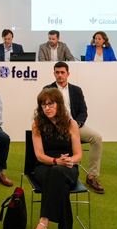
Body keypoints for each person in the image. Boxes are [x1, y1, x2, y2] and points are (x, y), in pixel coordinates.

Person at [28, 89, 83, 229]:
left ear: (59, 104)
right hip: (45, 166)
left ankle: (43, 222)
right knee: (61, 185)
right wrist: (55, 161)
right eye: (43, 104)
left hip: (67, 167)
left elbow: (78, 154)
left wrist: (69, 161)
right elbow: (39, 155)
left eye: (50, 103)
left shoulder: (71, 124)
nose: (47, 107)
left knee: (58, 174)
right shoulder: (37, 124)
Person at [43, 62, 105, 194]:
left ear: (68, 74)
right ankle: (55, 169)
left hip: (74, 126)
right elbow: (44, 110)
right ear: (54, 74)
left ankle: (91, 176)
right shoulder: (48, 89)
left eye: (62, 72)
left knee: (96, 138)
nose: (60, 75)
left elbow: (83, 111)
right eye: (57, 72)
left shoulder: (76, 90)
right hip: (54, 127)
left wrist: (76, 124)